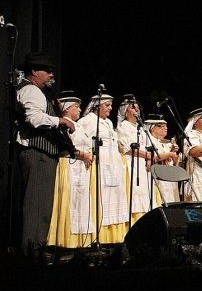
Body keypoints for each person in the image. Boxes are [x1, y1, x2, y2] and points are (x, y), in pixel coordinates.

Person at [14, 53, 75, 257]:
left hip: (44, 154)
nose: (50, 74)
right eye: (46, 71)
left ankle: (36, 248)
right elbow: (34, 118)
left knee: (42, 205)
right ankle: (31, 251)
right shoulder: (31, 89)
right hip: (37, 153)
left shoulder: (41, 92)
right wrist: (61, 121)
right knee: (36, 205)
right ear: (34, 71)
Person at [47, 91, 95, 248]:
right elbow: (64, 148)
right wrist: (83, 155)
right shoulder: (63, 125)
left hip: (82, 168)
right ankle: (65, 241)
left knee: (82, 204)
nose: (80, 110)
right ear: (66, 108)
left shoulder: (79, 125)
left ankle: (81, 242)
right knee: (70, 202)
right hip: (69, 166)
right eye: (77, 107)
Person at [79, 93, 129, 244]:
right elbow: (81, 140)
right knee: (101, 199)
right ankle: (100, 237)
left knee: (114, 200)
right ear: (97, 106)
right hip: (100, 163)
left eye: (111, 105)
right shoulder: (87, 121)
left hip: (113, 164)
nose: (110, 108)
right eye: (107, 105)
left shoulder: (107, 122)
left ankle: (115, 238)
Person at [115, 94, 156, 223]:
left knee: (146, 196)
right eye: (133, 108)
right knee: (134, 195)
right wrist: (146, 155)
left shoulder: (142, 128)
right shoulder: (123, 126)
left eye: (137, 107)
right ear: (126, 112)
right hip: (130, 163)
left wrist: (149, 159)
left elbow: (149, 146)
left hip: (144, 166)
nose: (137, 110)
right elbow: (126, 148)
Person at [146, 114, 180, 204]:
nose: (165, 128)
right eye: (161, 126)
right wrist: (170, 153)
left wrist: (173, 153)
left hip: (170, 176)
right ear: (152, 128)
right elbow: (154, 157)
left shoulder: (168, 143)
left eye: (166, 126)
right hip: (158, 176)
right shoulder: (150, 141)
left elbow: (175, 162)